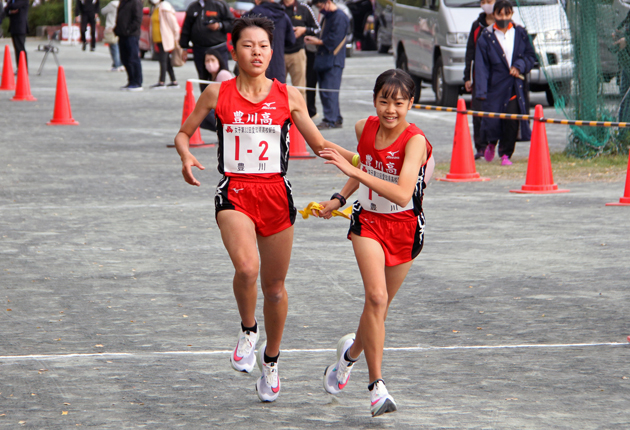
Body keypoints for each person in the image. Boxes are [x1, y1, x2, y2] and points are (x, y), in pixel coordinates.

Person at [173, 16, 356, 403]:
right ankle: (247, 329)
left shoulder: (288, 96)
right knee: (247, 268)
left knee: (274, 288)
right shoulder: (216, 93)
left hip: (276, 195)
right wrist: (186, 154)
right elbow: (183, 133)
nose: (256, 52)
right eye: (247, 45)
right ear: (233, 48)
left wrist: (359, 160)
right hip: (236, 193)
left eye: (263, 46)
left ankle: (271, 361)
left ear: (272, 51)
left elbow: (320, 142)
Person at [312, 69, 432, 417]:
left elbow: (400, 191)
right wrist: (339, 198)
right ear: (374, 99)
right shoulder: (364, 128)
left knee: (378, 310)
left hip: (406, 228)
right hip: (368, 223)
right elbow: (365, 164)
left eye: (398, 102)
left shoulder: (415, 141)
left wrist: (353, 172)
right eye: (383, 101)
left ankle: (347, 359)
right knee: (375, 298)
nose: (390, 109)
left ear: (411, 103)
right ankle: (376, 387)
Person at [474, 0, 537, 165]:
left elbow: (531, 56)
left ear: (512, 14)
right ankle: (491, 143)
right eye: (500, 14)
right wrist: (480, 91)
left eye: (507, 14)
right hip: (494, 86)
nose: (503, 17)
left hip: (514, 86)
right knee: (492, 121)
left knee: (511, 121)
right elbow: (481, 66)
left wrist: (520, 66)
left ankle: (506, 154)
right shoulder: (486, 37)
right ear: (494, 15)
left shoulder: (521, 33)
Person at [305, 0, 349, 129]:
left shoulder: (339, 16)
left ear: (328, 2)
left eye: (320, 6)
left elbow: (334, 39)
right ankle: (336, 118)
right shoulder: (329, 17)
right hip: (326, 59)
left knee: (329, 91)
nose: (320, 9)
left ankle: (330, 119)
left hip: (333, 59)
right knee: (328, 90)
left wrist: (317, 41)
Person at [463, 0, 496, 160]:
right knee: (478, 113)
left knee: (496, 112)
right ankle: (480, 147)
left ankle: (494, 143)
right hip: (478, 77)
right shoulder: (477, 26)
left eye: (489, 1)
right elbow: (470, 52)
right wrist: (467, 77)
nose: (486, 4)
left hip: (498, 77)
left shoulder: (504, 25)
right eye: (483, 1)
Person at [180, 0, 234, 92]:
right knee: (203, 78)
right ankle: (206, 102)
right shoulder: (193, 7)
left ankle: (224, 101)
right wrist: (184, 47)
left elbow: (232, 23)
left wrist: (219, 25)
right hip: (200, 49)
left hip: (218, 48)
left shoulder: (220, 4)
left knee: (222, 75)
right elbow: (186, 29)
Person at [244, 0, 295, 83]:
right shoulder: (283, 16)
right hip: (278, 68)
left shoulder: (250, 15)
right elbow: (291, 40)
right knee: (277, 94)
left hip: (254, 68)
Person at [282, 0, 320, 98]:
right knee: (277, 88)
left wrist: (304, 30)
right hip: (279, 53)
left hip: (297, 52)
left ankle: (299, 112)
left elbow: (317, 29)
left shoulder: (303, 8)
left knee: (300, 89)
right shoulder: (277, 8)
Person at [199, 48, 234, 131]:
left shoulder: (223, 74)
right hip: (222, 108)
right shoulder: (210, 77)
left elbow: (228, 97)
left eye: (212, 60)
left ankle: (225, 132)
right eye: (207, 61)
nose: (210, 63)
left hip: (230, 108)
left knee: (205, 112)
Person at [148, 0, 180, 89]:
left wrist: (176, 37)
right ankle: (174, 81)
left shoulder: (165, 7)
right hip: (158, 39)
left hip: (165, 39)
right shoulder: (155, 7)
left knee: (163, 60)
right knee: (166, 60)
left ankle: (161, 82)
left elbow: (173, 23)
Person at [115, 0, 144, 91]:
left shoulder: (136, 2)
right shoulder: (123, 2)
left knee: (133, 58)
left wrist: (129, 30)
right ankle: (131, 80)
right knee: (125, 58)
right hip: (122, 34)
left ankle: (137, 82)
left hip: (132, 35)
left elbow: (138, 19)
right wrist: (117, 30)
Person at [3, 0, 29, 68]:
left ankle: (24, 68)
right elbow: (6, 10)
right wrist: (10, 11)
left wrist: (9, 7)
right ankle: (19, 67)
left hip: (20, 27)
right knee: (16, 49)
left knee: (20, 48)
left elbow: (14, 6)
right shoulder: (13, 0)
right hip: (13, 27)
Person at [101, 0, 124, 72]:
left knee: (113, 47)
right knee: (120, 47)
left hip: (111, 27)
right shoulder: (123, 4)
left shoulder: (112, 4)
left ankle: (117, 64)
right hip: (120, 26)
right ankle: (120, 64)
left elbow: (103, 11)